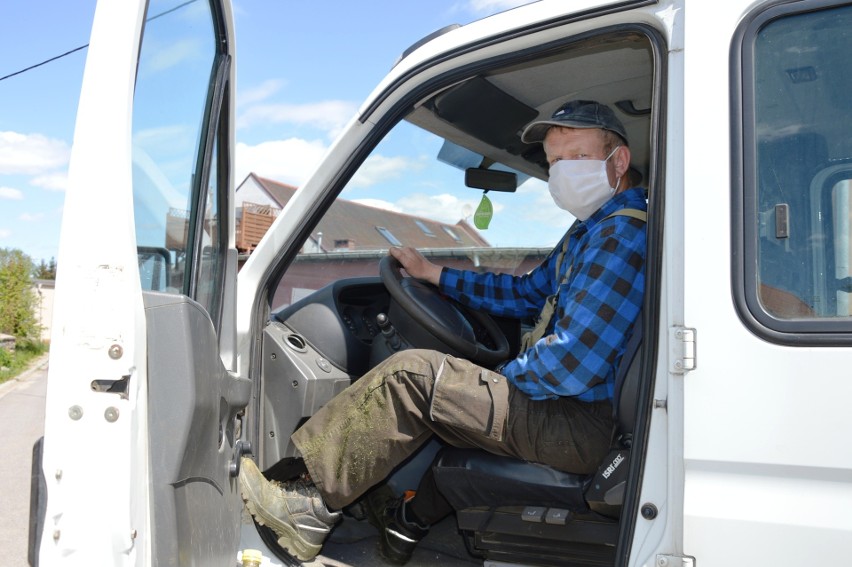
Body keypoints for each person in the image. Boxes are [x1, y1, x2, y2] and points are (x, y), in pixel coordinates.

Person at [238, 99, 648, 564]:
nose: (561, 173)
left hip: (582, 424)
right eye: (554, 163)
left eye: (576, 158)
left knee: (412, 378)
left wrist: (495, 379)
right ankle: (370, 501)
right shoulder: (590, 231)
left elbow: (571, 365)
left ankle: (305, 511)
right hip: (579, 411)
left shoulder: (621, 236)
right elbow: (528, 294)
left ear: (619, 161)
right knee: (448, 383)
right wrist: (436, 276)